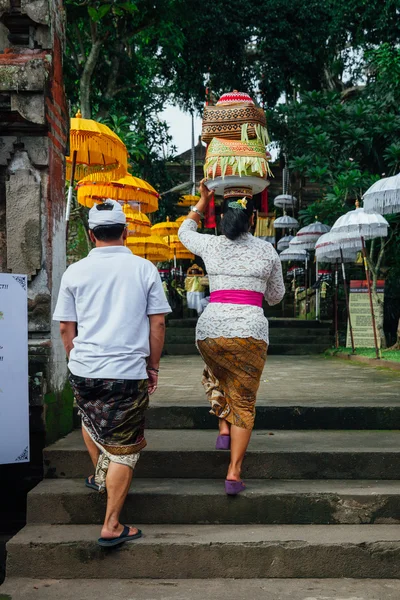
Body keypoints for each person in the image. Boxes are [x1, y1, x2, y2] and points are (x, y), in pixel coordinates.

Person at [53, 200, 171, 546]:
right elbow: (159, 323)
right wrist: (153, 365)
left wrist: (77, 358)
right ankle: (112, 524)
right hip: (125, 371)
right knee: (125, 447)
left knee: (90, 421)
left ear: (91, 235)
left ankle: (102, 477)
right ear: (126, 231)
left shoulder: (74, 272)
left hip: (84, 368)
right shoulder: (143, 269)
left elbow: (65, 328)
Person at [178, 181, 285, 495]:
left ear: (222, 219)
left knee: (218, 369)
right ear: (252, 219)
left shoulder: (211, 245)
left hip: (210, 332)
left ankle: (223, 426)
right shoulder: (267, 251)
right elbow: (277, 297)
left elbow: (184, 231)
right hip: (250, 333)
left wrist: (202, 200)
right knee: (244, 400)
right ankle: (234, 473)